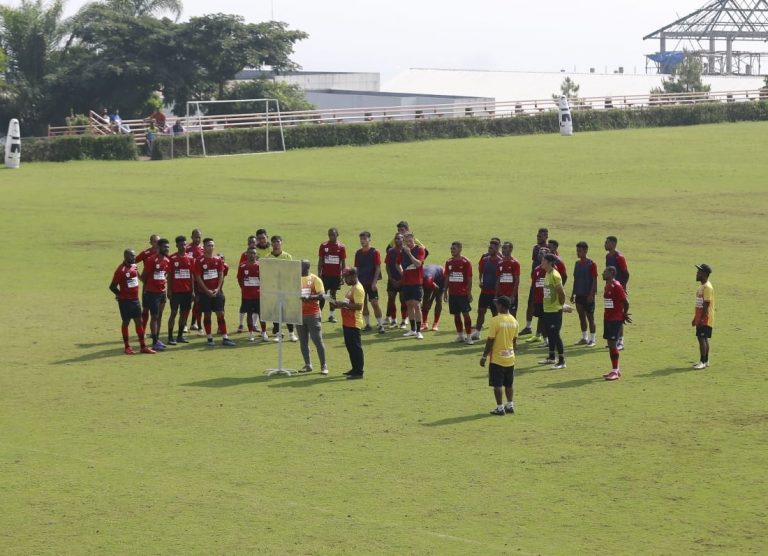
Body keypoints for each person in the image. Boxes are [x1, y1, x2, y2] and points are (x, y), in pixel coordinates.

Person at [109, 249, 154, 354]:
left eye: (134, 256)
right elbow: (112, 286)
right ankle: (127, 347)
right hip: (125, 302)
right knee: (126, 322)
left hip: (135, 300)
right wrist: (120, 295)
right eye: (131, 256)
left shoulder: (134, 266)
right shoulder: (121, 270)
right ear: (125, 256)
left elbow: (136, 278)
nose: (134, 258)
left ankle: (143, 346)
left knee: (139, 322)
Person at [480, 296, 519, 415]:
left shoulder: (495, 320)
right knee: (509, 383)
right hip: (510, 358)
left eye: (497, 304)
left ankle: (500, 407)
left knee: (497, 384)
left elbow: (490, 340)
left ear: (502, 306)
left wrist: (484, 356)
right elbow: (514, 341)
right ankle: (510, 405)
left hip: (497, 359)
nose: (496, 306)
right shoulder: (514, 321)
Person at [193, 237, 236, 347]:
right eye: (208, 245)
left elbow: (221, 274)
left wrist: (218, 288)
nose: (211, 247)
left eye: (212, 245)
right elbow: (198, 277)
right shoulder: (199, 261)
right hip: (205, 294)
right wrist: (206, 291)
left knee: (220, 314)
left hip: (217, 292)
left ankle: (225, 337)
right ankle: (209, 338)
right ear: (204, 247)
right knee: (207, 315)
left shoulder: (218, 260)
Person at [331, 267, 366, 380]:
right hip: (347, 322)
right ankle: (354, 368)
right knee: (350, 347)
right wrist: (338, 304)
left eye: (347, 277)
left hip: (354, 322)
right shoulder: (352, 288)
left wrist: (343, 304)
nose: (345, 279)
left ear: (353, 276)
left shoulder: (358, 289)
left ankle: (359, 372)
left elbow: (359, 306)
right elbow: (349, 303)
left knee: (355, 348)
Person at [297, 260, 329, 374]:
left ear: (306, 267)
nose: (298, 267)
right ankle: (307, 364)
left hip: (313, 314)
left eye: (300, 266)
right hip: (299, 314)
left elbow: (321, 296)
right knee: (303, 341)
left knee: (317, 340)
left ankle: (323, 366)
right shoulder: (295, 279)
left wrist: (309, 298)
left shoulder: (315, 279)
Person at [141, 238, 171, 351]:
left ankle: (157, 339)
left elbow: (166, 273)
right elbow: (144, 277)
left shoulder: (167, 260)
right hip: (152, 293)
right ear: (158, 248)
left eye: (168, 247)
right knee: (154, 316)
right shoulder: (151, 260)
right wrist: (151, 285)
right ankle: (154, 342)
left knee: (159, 316)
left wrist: (162, 282)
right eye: (165, 247)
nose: (167, 249)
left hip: (162, 292)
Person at [602, 266, 631, 381]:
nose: (603, 273)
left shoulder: (617, 286)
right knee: (610, 343)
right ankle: (616, 369)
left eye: (605, 272)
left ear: (612, 273)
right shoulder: (607, 285)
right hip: (608, 318)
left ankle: (615, 371)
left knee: (613, 344)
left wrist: (624, 314)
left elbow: (626, 302)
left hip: (615, 319)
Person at [471, 238, 502, 341]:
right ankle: (477, 333)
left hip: (495, 293)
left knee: (495, 314)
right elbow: (481, 272)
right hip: (484, 292)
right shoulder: (485, 260)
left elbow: (499, 278)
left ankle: (496, 334)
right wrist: (480, 281)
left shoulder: (500, 262)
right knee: (481, 311)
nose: (489, 249)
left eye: (492, 248)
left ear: (497, 249)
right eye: (489, 247)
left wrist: (497, 294)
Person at [354, 231, 385, 333]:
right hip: (361, 283)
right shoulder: (358, 253)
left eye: (364, 239)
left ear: (369, 239)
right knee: (363, 304)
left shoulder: (375, 252)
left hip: (371, 283)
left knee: (375, 303)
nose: (362, 241)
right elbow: (357, 268)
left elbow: (377, 268)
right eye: (361, 239)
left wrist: (374, 283)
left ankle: (380, 325)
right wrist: (356, 282)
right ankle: (367, 324)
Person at [268, 235, 297, 342]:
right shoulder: (267, 258)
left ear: (281, 243)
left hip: (286, 289)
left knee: (287, 312)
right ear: (271, 244)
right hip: (274, 289)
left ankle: (291, 334)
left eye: (278, 242)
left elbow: (291, 272)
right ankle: (278, 334)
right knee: (276, 312)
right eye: (274, 242)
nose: (276, 244)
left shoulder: (288, 256)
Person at [539, 253, 566, 369]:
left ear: (549, 263)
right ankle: (551, 357)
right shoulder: (547, 273)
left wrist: (561, 305)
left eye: (543, 261)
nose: (541, 262)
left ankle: (561, 361)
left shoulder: (555, 275)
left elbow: (561, 293)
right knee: (550, 334)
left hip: (555, 311)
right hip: (547, 309)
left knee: (555, 335)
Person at [443, 241, 474, 344]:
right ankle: (460, 336)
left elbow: (469, 279)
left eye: (454, 249)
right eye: (451, 249)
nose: (452, 251)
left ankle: (469, 336)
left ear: (460, 249)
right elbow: (447, 277)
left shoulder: (466, 262)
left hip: (463, 294)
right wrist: (445, 292)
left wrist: (469, 293)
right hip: (453, 294)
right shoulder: (449, 262)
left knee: (466, 314)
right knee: (456, 315)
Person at [167, 236, 195, 346]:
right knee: (173, 313)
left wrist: (192, 291)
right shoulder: (172, 258)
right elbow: (169, 275)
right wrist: (169, 289)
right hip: (175, 291)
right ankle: (170, 337)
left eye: (185, 244)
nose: (183, 247)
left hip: (187, 292)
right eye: (181, 245)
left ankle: (179, 336)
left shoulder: (190, 258)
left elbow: (192, 275)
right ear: (177, 245)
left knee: (184, 314)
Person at [397, 232, 426, 339]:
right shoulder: (402, 251)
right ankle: (412, 329)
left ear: (414, 240)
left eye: (410, 241)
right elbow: (397, 263)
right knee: (409, 304)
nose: (408, 243)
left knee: (417, 305)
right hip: (406, 283)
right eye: (406, 241)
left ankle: (419, 331)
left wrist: (409, 254)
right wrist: (402, 272)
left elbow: (418, 264)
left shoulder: (419, 250)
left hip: (417, 282)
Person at [570, 241, 598, 346]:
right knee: (581, 316)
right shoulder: (577, 264)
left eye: (580, 251)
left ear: (586, 251)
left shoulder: (591, 264)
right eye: (577, 251)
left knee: (590, 317)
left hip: (588, 295)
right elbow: (575, 279)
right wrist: (573, 293)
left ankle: (593, 339)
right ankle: (584, 337)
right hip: (579, 294)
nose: (578, 253)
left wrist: (592, 294)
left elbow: (595, 279)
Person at [522, 227, 549, 335]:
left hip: (545, 282)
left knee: (543, 305)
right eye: (537, 236)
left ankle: (541, 331)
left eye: (540, 236)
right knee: (531, 303)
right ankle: (528, 327)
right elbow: (534, 263)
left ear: (546, 237)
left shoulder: (549, 249)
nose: (538, 238)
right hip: (536, 281)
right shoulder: (535, 248)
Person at [605, 235, 630, 350]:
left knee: (619, 314)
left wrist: (623, 286)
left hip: (618, 288)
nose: (605, 245)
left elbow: (626, 273)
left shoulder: (619, 257)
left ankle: (621, 341)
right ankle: (614, 339)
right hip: (611, 288)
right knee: (611, 313)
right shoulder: (608, 256)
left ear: (614, 244)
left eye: (608, 243)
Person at [318, 227, 346, 323]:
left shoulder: (341, 247)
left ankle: (331, 315)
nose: (331, 236)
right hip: (325, 275)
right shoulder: (323, 246)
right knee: (323, 295)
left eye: (333, 234)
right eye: (329, 235)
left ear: (337, 235)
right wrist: (319, 274)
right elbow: (320, 260)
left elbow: (343, 262)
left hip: (336, 275)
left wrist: (343, 275)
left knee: (333, 295)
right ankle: (319, 315)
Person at [236, 247, 262, 342]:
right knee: (249, 314)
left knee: (261, 314)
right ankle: (251, 333)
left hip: (258, 295)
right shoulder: (242, 266)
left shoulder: (260, 265)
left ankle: (264, 333)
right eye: (250, 253)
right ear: (247, 254)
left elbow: (263, 279)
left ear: (256, 254)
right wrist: (244, 288)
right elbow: (239, 279)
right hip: (247, 295)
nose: (252, 255)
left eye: (253, 253)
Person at [524, 247, 549, 345]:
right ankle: (543, 338)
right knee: (541, 318)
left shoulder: (551, 270)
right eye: (539, 254)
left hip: (548, 299)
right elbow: (534, 285)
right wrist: (534, 298)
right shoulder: (536, 270)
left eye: (542, 254)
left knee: (547, 320)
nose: (540, 255)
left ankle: (548, 340)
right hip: (538, 299)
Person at [692, 263, 715, 370]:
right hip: (701, 317)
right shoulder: (703, 286)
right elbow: (699, 304)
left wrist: (701, 318)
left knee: (702, 338)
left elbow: (706, 304)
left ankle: (703, 361)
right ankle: (705, 360)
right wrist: (695, 317)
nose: (697, 273)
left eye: (699, 272)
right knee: (703, 338)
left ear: (704, 274)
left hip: (704, 318)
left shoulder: (707, 287)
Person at [237, 235, 259, 332]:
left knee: (256, 309)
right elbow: (241, 272)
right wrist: (243, 286)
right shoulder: (244, 255)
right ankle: (241, 324)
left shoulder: (258, 255)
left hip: (256, 289)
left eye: (253, 242)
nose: (252, 244)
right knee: (244, 308)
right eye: (250, 242)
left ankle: (254, 325)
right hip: (246, 288)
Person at [384, 233, 406, 328]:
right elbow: (387, 265)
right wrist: (390, 278)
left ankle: (404, 321)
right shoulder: (391, 251)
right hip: (392, 279)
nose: (397, 240)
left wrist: (402, 279)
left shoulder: (406, 251)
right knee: (391, 299)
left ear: (403, 240)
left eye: (399, 239)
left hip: (404, 280)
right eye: (396, 239)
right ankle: (393, 320)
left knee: (403, 300)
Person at [495, 241, 521, 317]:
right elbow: (498, 280)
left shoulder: (515, 263)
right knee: (501, 315)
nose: (503, 250)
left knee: (512, 315)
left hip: (510, 294)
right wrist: (496, 295)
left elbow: (517, 281)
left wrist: (513, 295)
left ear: (511, 249)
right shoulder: (500, 262)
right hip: (501, 294)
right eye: (502, 248)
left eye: (505, 248)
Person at [186, 228, 204, 332]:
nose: (197, 239)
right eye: (196, 237)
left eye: (199, 237)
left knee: (198, 302)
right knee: (188, 302)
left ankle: (193, 323)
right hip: (189, 280)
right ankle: (184, 324)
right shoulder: (188, 248)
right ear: (191, 237)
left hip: (200, 280)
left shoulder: (202, 248)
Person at [421, 264, 444, 331]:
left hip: (441, 277)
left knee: (439, 300)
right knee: (425, 300)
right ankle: (425, 323)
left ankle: (435, 323)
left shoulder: (427, 279)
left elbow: (436, 288)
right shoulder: (417, 278)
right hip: (430, 277)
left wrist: (430, 301)